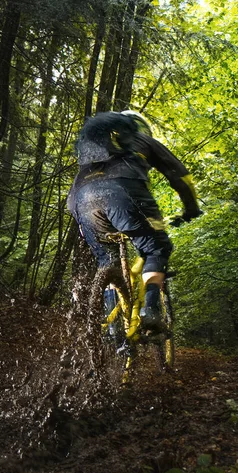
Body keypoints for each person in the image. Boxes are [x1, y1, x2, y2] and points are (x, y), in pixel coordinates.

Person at [67, 110, 202, 331]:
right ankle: (151, 310)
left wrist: (83, 225)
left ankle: (114, 329)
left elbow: (72, 199)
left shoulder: (90, 156)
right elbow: (180, 175)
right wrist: (191, 209)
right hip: (123, 193)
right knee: (155, 249)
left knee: (107, 262)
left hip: (85, 205)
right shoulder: (142, 141)